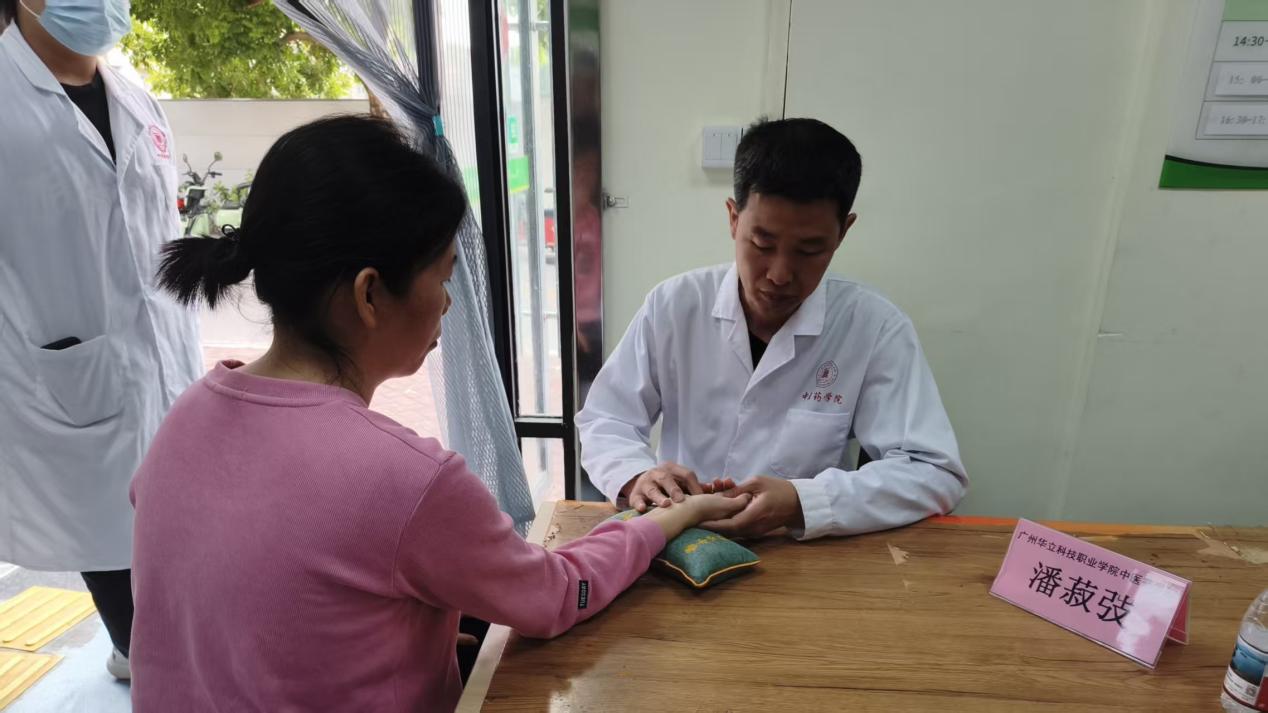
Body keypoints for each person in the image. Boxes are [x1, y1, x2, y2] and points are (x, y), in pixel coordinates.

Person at [129, 115, 748, 712]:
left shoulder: (187, 417)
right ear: (370, 294)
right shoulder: (404, 479)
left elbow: (263, 595)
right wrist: (667, 521)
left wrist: (399, 629)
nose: (448, 304)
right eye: (444, 277)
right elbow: (556, 595)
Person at [577, 117, 968, 541]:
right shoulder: (674, 305)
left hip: (802, 551)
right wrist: (637, 475)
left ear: (843, 232)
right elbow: (607, 418)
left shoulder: (873, 327)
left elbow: (934, 471)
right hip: (680, 539)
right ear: (733, 218)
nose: (780, 275)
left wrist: (804, 502)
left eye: (810, 250)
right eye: (762, 243)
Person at [0, 0, 201, 679]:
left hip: (164, 350)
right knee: (101, 518)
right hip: (60, 363)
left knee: (175, 519)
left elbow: (158, 226)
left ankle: (155, 651)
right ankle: (138, 652)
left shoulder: (137, 98)